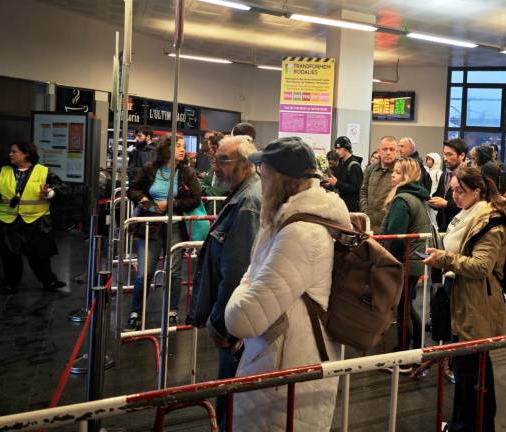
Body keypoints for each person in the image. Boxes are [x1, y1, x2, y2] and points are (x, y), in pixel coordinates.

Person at [224, 136, 350, 431]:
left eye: (263, 173)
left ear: (278, 178)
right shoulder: (294, 222)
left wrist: (246, 283)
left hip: (285, 370)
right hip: (285, 361)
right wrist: (252, 278)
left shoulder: (300, 233)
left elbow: (243, 319)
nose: (260, 179)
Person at [423, 167, 506, 432]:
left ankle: (471, 425)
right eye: (452, 189)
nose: (454, 195)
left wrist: (444, 258)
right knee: (468, 370)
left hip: (478, 301)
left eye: (460, 191)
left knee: (473, 370)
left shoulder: (490, 220)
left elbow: (482, 266)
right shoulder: (467, 214)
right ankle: (470, 424)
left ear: (477, 191)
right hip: (462, 295)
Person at [187, 135, 261, 430]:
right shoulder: (243, 194)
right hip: (234, 318)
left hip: (233, 321)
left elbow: (237, 270)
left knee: (229, 395)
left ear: (246, 165)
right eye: (214, 159)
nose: (214, 166)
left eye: (223, 161)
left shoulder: (248, 203)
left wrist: (221, 323)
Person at [125, 136, 202, 330]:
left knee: (174, 271)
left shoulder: (186, 172)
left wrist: (172, 204)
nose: (182, 150)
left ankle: (172, 310)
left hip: (175, 224)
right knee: (145, 273)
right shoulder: (151, 169)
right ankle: (136, 311)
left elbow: (195, 198)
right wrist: (142, 198)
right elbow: (133, 188)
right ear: (166, 149)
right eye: (177, 146)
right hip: (150, 225)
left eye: (183, 147)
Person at [0, 142, 68, 293]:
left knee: (39, 256)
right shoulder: (2, 171)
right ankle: (11, 283)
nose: (10, 154)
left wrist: (49, 193)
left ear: (26, 154)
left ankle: (48, 281)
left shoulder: (43, 172)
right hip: (8, 221)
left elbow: (62, 189)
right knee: (10, 256)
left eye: (14, 151)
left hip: (35, 221)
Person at [380, 157, 430, 362]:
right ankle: (417, 350)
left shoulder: (402, 200)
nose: (393, 174)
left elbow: (395, 236)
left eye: (398, 172)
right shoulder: (416, 197)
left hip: (405, 261)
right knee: (407, 307)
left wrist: (388, 261)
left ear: (407, 176)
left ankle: (404, 355)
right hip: (415, 260)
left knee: (402, 309)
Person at [430, 138, 467, 234]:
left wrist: (446, 204)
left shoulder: (468, 176)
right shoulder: (445, 175)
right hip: (443, 228)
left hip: (460, 229)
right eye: (444, 154)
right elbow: (439, 195)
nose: (445, 158)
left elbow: (468, 204)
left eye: (450, 154)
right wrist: (431, 201)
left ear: (462, 155)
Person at [360, 136, 398, 229]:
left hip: (389, 225)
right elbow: (363, 192)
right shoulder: (370, 169)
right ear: (379, 151)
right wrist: (366, 212)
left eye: (392, 149)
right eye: (385, 149)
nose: (388, 152)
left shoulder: (400, 171)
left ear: (396, 152)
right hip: (369, 224)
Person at [327, 136, 363, 212]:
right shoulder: (340, 163)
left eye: (339, 149)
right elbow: (339, 182)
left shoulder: (354, 165)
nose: (336, 151)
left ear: (347, 148)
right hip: (341, 205)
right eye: (336, 149)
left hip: (351, 208)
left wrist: (337, 183)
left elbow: (356, 188)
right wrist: (330, 184)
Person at [199, 131, 227, 198]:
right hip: (210, 206)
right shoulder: (214, 166)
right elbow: (204, 182)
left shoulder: (224, 168)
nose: (205, 153)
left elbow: (215, 193)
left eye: (208, 149)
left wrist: (201, 186)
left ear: (216, 148)